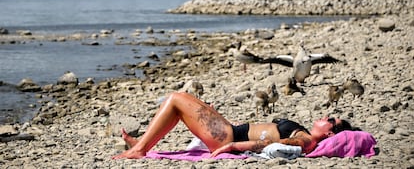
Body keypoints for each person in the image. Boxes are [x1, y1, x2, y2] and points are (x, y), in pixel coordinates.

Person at [112, 92, 354, 159]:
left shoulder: (305, 140)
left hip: (228, 137)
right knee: (185, 100)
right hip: (230, 130)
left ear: (330, 132)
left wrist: (233, 148)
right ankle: (144, 142)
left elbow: (270, 144)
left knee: (175, 99)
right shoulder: (303, 132)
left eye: (331, 120)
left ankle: (139, 149)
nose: (326, 117)